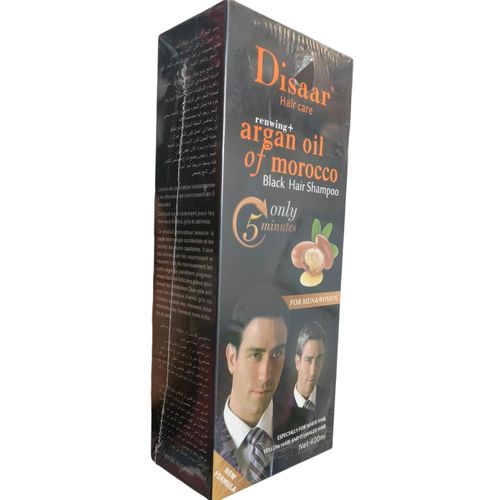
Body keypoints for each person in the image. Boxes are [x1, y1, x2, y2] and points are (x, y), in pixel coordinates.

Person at [215, 285, 289, 484]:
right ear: (232, 358)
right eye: (255, 355)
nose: (266, 375)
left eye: (277, 354)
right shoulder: (200, 444)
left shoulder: (306, 426)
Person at [292, 321, 328, 419]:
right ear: (298, 362)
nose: (313, 371)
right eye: (308, 360)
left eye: (319, 359)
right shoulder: (279, 408)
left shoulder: (330, 399)